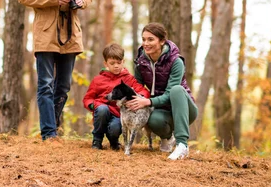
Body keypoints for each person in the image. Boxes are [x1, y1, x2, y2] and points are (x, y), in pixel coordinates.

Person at [18, 0, 93, 141]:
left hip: (71, 33)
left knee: (63, 87)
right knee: (45, 84)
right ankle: (48, 134)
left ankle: (54, 129)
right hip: (45, 32)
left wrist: (80, 2)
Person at [126, 22, 198, 160]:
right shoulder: (141, 64)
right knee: (152, 120)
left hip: (186, 109)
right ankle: (168, 138)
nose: (146, 43)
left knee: (176, 90)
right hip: (161, 110)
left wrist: (147, 101)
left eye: (151, 39)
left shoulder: (176, 62)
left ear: (162, 41)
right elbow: (138, 89)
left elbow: (170, 94)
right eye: (144, 39)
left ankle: (182, 145)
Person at [83, 43, 150, 150]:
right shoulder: (98, 80)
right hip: (102, 112)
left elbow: (143, 91)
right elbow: (88, 98)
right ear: (106, 64)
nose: (116, 66)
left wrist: (140, 98)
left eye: (119, 62)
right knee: (102, 109)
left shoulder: (128, 79)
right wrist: (93, 106)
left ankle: (114, 141)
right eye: (112, 63)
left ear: (123, 62)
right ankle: (97, 140)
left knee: (115, 128)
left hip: (119, 114)